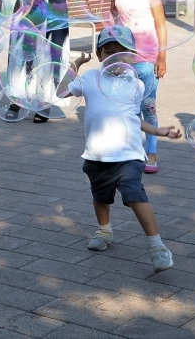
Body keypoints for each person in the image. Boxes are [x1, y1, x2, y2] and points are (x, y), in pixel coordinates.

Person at [58, 26, 180, 272]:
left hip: (129, 155)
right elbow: (61, 91)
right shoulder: (91, 78)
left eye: (122, 52)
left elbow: (136, 117)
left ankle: (157, 246)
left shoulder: (135, 84)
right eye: (109, 51)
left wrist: (159, 131)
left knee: (135, 195)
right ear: (100, 55)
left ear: (132, 57)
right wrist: (75, 66)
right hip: (97, 153)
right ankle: (104, 230)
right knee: (100, 196)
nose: (116, 57)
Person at [110, 0, 167, 174]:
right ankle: (130, 151)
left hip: (147, 59)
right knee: (124, 107)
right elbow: (113, 22)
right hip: (124, 59)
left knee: (148, 107)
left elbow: (161, 26)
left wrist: (162, 56)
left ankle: (151, 154)